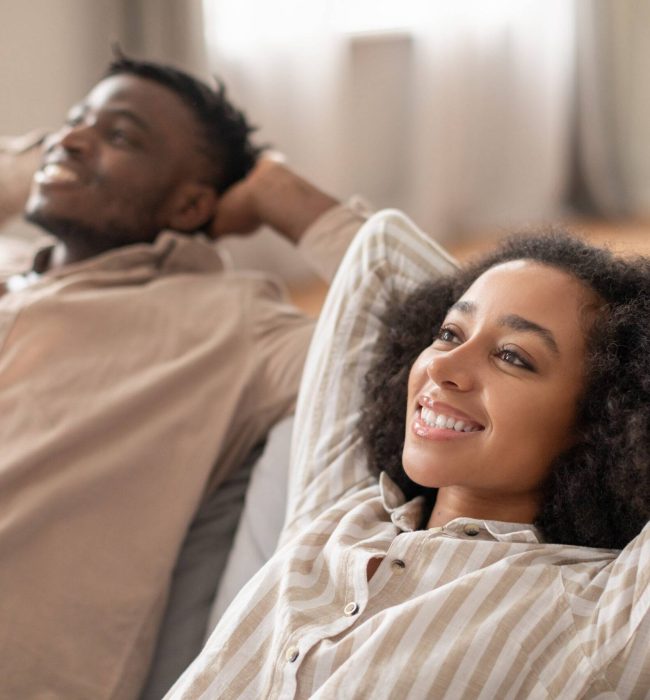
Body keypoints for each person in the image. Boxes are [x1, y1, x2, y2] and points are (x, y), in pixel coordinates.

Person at [0, 56, 368, 699]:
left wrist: (288, 201)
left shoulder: (235, 327)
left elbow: (446, 328)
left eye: (122, 137)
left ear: (191, 202)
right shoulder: (12, 268)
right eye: (72, 122)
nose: (71, 138)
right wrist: (57, 161)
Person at [166, 207, 650, 698]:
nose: (444, 368)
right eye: (448, 334)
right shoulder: (343, 509)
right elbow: (382, 251)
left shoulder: (601, 614)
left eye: (512, 357)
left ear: (601, 417)